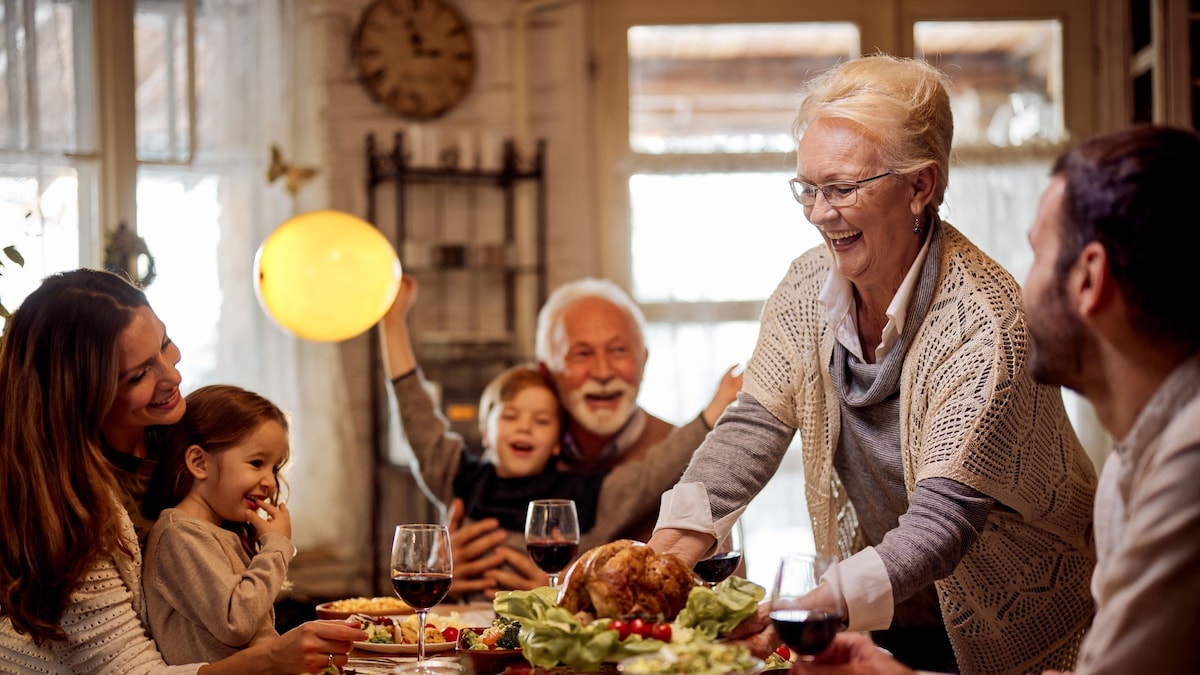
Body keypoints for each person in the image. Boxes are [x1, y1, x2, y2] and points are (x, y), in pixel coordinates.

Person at [645, 54, 1097, 675]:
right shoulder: (808, 285)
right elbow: (754, 425)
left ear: (921, 186)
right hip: (893, 615)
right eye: (808, 188)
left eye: (843, 188)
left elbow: (943, 522)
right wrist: (663, 555)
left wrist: (799, 614)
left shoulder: (987, 322)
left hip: (1019, 628)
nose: (819, 212)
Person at [804, 124, 1200, 675]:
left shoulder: (1188, 469)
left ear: (1089, 280)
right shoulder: (1137, 461)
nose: (1014, 287)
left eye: (1036, 254)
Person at [0, 268, 364, 674]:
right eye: (139, 374)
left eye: (165, 343)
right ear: (81, 397)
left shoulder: (178, 443)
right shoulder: (67, 513)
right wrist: (275, 658)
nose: (173, 375)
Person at [380, 274, 726, 597]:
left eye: (619, 350)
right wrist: (439, 572)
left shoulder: (689, 460)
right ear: (547, 370)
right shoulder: (488, 470)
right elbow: (422, 428)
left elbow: (723, 587)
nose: (603, 371)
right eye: (581, 354)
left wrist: (571, 589)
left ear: (644, 360)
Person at [141, 385, 296, 664]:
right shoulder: (181, 534)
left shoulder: (219, 532)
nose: (270, 482)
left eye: (274, 468)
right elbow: (235, 623)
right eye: (257, 462)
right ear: (199, 463)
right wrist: (276, 548)